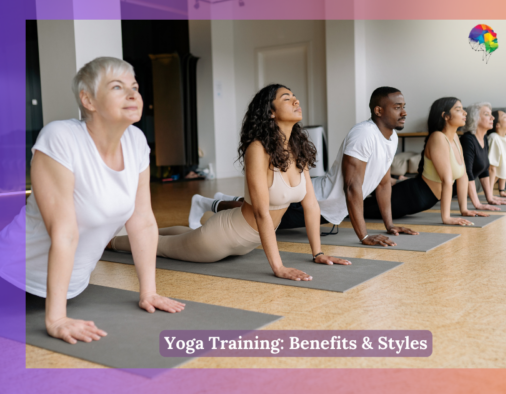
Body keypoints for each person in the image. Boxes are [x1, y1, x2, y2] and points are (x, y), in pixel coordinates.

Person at [0, 57, 185, 345]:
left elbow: (143, 221)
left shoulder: (136, 142)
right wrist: (57, 319)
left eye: (134, 86)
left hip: (69, 290)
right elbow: (64, 230)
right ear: (88, 99)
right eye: (117, 86)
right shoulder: (60, 138)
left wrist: (148, 292)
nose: (132, 93)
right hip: (10, 279)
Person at [111, 84, 350, 281]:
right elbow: (261, 212)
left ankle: (138, 229)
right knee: (159, 247)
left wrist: (317, 253)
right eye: (287, 98)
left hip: (245, 244)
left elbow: (311, 206)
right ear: (270, 112)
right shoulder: (258, 149)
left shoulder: (296, 149)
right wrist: (279, 267)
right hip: (219, 239)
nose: (296, 101)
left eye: (295, 97)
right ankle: (109, 241)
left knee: (180, 236)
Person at [198, 87, 419, 247]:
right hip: (315, 201)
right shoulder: (364, 134)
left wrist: (389, 225)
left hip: (328, 210)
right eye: (397, 107)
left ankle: (218, 199)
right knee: (257, 215)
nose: (404, 112)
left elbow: (382, 183)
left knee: (261, 206)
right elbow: (352, 187)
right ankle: (209, 204)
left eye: (404, 107)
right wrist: (363, 236)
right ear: (379, 111)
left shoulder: (392, 138)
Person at [364, 97, 489, 225]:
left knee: (363, 201)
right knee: (356, 208)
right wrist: (446, 218)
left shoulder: (456, 138)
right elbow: (446, 179)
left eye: (463, 109)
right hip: (409, 197)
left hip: (421, 199)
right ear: (445, 116)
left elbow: (463, 175)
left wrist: (464, 209)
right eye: (458, 110)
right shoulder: (438, 137)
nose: (465, 113)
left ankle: (393, 180)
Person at [460, 102, 506, 210]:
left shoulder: (484, 138)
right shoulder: (467, 140)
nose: (492, 117)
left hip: (467, 189)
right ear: (475, 118)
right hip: (452, 192)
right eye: (487, 114)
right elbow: (466, 173)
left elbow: (484, 170)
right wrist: (477, 204)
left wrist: (490, 198)